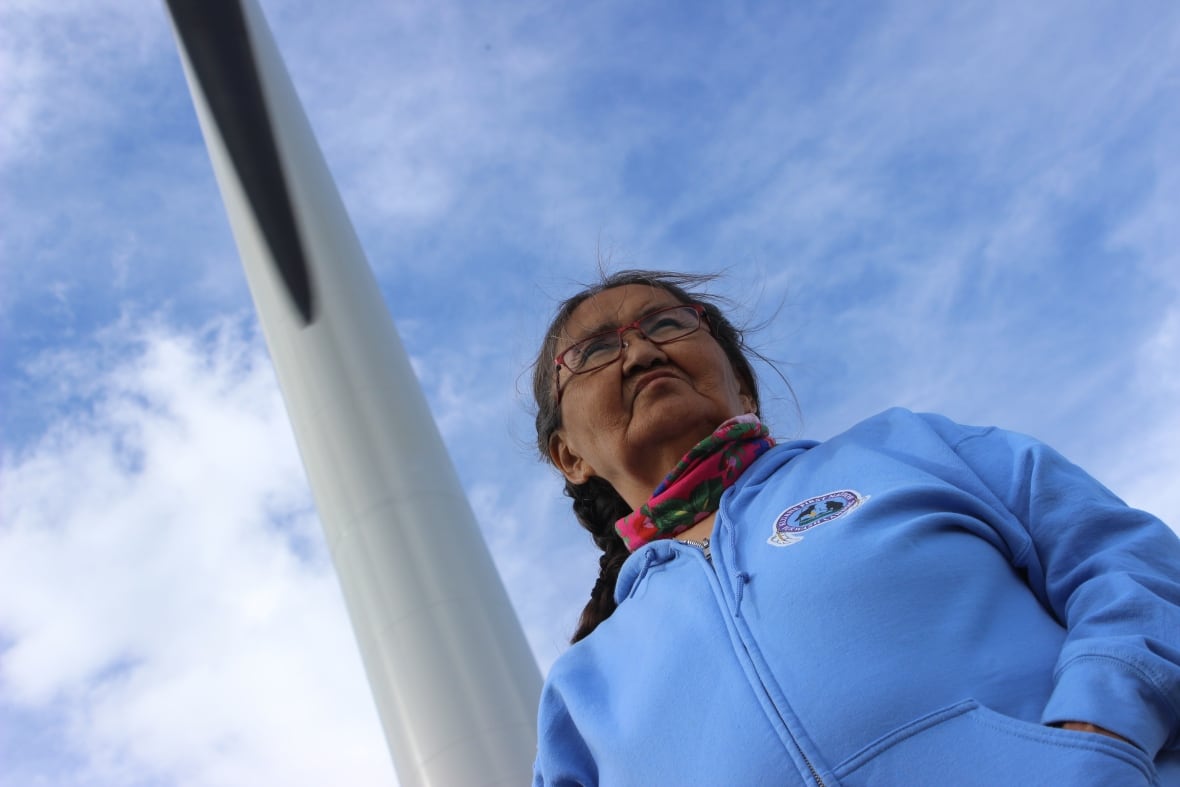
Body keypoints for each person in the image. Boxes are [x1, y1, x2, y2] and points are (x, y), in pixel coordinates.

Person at [530, 270, 1180, 786]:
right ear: (569, 456)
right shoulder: (582, 689)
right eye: (594, 349)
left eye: (668, 323)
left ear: (744, 390)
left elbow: (1126, 563)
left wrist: (1105, 729)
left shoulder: (913, 448)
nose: (641, 351)